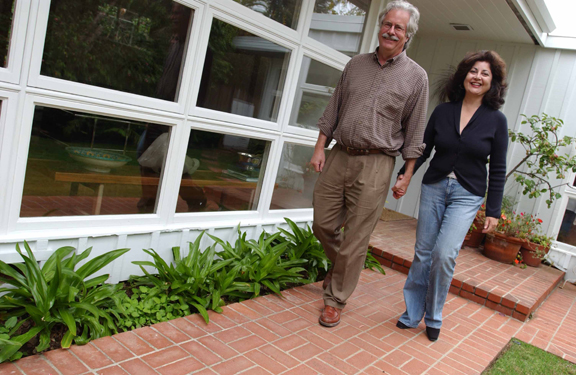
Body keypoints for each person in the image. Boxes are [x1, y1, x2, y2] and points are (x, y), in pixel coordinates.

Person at [310, 0, 429, 327]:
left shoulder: (416, 77)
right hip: (339, 153)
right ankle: (341, 268)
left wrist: (406, 174)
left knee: (356, 237)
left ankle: (335, 299)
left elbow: (416, 130)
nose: (391, 31)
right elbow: (333, 108)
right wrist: (320, 147)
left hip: (377, 163)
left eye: (399, 27)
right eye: (388, 24)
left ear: (408, 35)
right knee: (321, 222)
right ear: (381, 27)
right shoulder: (355, 64)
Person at [395, 50, 509, 341]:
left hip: (467, 194)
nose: (478, 77)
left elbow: (497, 168)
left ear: (492, 82)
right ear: (464, 76)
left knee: (444, 254)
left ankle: (433, 316)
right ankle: (411, 314)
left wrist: (493, 211)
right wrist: (405, 176)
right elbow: (423, 149)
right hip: (434, 186)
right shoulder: (443, 111)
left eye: (485, 73)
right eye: (474, 71)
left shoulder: (497, 121)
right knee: (422, 254)